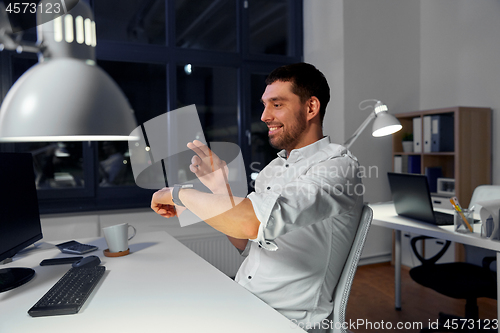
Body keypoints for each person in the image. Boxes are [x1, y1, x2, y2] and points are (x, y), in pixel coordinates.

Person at [151, 62, 363, 328]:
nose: (264, 116)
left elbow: (253, 222)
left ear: (311, 108)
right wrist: (220, 189)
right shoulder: (273, 170)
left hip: (286, 319)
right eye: (265, 105)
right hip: (246, 298)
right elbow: (246, 241)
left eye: (277, 104)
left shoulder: (337, 167)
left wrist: (177, 194)